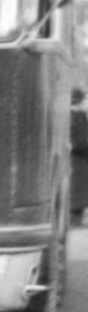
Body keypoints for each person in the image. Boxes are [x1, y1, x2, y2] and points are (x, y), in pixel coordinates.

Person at [71, 88, 88, 226]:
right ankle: (74, 219)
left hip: (81, 158)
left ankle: (77, 218)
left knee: (80, 190)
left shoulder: (80, 114)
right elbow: (76, 140)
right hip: (75, 159)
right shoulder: (73, 115)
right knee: (76, 190)